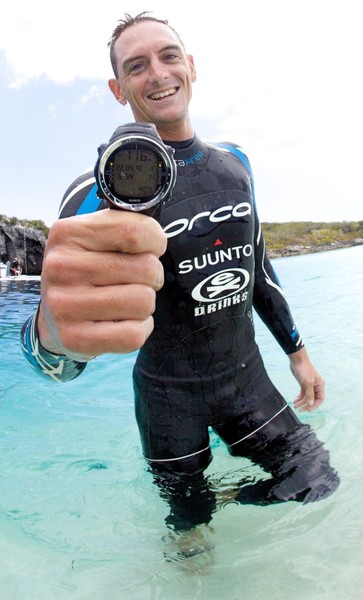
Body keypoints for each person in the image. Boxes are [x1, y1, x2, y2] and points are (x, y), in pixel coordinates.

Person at [21, 12, 339, 537]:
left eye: (169, 56)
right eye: (137, 66)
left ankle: (225, 497)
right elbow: (57, 332)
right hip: (169, 400)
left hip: (247, 380)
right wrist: (52, 340)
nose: (158, 73)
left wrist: (299, 355)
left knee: (317, 479)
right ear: (117, 89)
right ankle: (195, 524)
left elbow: (257, 266)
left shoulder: (235, 163)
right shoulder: (94, 194)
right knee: (188, 531)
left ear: (191, 67)